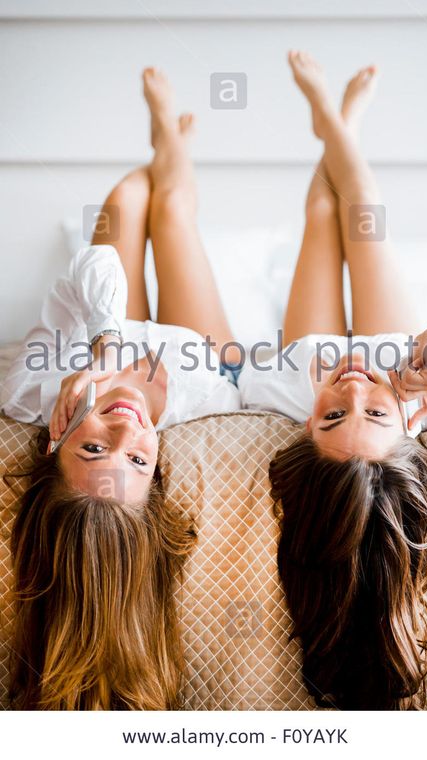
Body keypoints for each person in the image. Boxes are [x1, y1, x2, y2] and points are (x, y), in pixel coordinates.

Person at [239, 51, 427, 709]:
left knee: (320, 213)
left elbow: (228, 377)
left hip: (306, 350)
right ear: (410, 427)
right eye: (372, 414)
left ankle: (332, 120)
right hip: (402, 346)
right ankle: (339, 120)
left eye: (330, 418)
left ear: (306, 430)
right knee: (362, 203)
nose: (350, 391)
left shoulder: (298, 388)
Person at [1, 68, 242, 710]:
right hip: (195, 350)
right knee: (173, 211)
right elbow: (224, 385)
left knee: (127, 197)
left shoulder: (32, 391)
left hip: (108, 324)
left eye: (91, 449)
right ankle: (176, 150)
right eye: (136, 459)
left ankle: (161, 142)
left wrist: (105, 345)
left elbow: (93, 264)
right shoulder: (198, 408)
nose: (125, 430)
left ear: (54, 438)